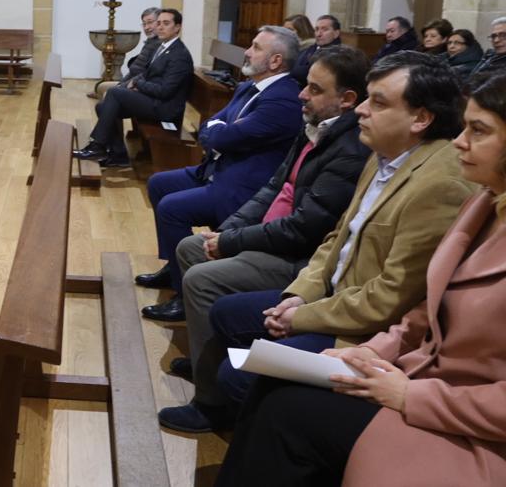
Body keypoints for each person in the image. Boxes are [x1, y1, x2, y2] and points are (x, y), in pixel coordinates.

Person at [215, 72, 506, 487]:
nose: (459, 141)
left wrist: (411, 394)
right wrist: (371, 350)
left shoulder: (448, 185)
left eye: (478, 130)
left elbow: (394, 294)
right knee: (272, 386)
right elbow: (426, 308)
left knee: (285, 410)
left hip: (460, 411)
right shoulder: (484, 201)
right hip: (416, 371)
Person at [202, 51, 474, 414]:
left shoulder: (440, 184)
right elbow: (338, 238)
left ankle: (256, 421)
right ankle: (229, 413)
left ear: (420, 118)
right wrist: (300, 295)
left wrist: (303, 317)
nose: (361, 110)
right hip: (333, 296)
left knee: (239, 376)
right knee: (227, 313)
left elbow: (392, 297)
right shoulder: (384, 154)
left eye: (378, 103)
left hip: (364, 331)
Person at [156, 46, 372, 433]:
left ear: (347, 99)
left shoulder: (350, 149)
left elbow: (304, 228)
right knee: (192, 247)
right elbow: (273, 188)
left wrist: (232, 242)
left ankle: (212, 404)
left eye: (315, 89)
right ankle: (209, 357)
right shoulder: (315, 128)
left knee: (202, 279)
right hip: (276, 238)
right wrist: (229, 231)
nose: (302, 94)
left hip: (300, 258)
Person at [137, 26, 302, 319]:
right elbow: (212, 125)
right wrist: (219, 131)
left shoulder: (284, 99)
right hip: (219, 168)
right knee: (160, 183)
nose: (247, 52)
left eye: (256, 47)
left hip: (244, 184)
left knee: (172, 208)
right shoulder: (249, 87)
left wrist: (219, 132)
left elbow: (224, 136)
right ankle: (174, 266)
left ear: (276, 60)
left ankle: (184, 296)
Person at [74, 8, 193, 168]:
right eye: (158, 23)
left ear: (177, 27)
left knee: (115, 93)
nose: (160, 27)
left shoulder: (179, 55)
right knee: (102, 106)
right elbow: (145, 73)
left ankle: (97, 146)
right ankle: (118, 155)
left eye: (166, 23)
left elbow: (165, 91)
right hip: (153, 99)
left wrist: (138, 85)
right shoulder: (163, 47)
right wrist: (137, 83)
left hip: (164, 108)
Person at [94, 6, 161, 98]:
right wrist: (120, 84)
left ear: (160, 22)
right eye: (144, 24)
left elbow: (144, 75)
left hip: (139, 85)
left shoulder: (160, 45)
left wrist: (121, 87)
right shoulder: (150, 41)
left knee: (108, 94)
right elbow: (133, 71)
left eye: (150, 22)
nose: (146, 27)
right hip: (131, 81)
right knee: (100, 87)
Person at [289, 14, 341, 85]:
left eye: (325, 29)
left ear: (336, 33)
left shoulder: (338, 55)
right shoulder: (309, 49)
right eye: (316, 29)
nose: (319, 34)